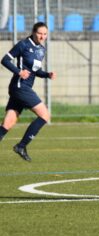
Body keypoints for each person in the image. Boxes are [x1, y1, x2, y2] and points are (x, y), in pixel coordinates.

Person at [0, 22, 56, 161]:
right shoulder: (23, 45)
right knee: (45, 115)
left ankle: (21, 146)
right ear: (33, 32)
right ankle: (21, 146)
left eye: (45, 34)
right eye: (40, 33)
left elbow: (35, 71)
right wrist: (18, 71)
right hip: (20, 87)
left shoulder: (41, 49)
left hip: (22, 88)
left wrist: (47, 74)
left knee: (8, 123)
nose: (42, 37)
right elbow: (5, 60)